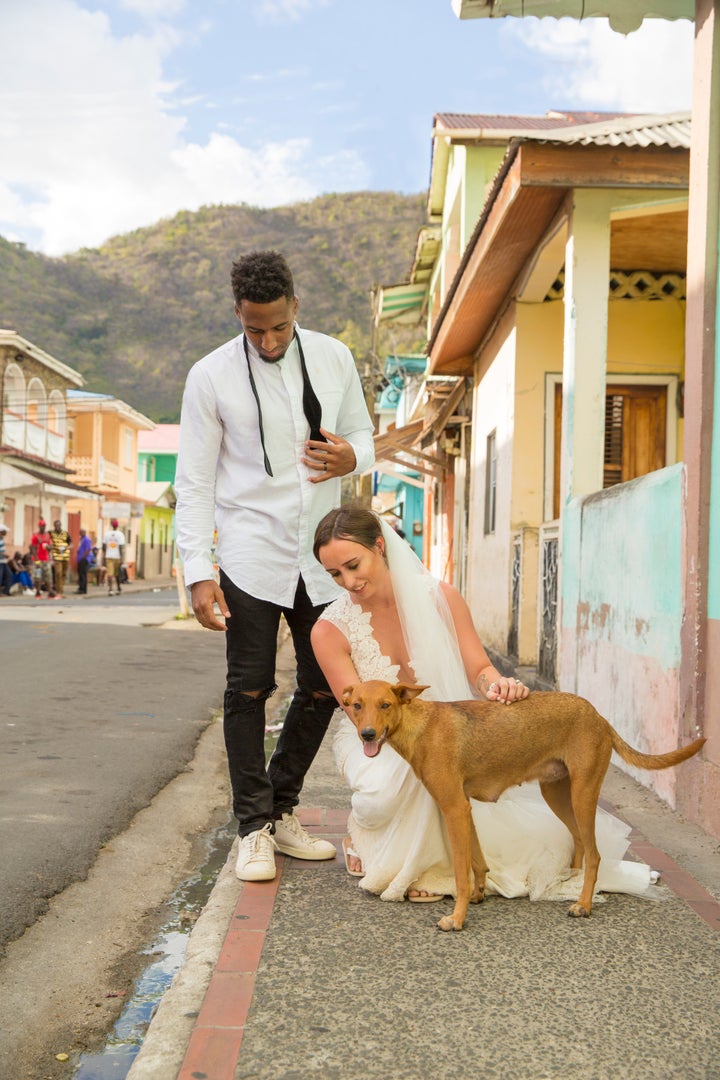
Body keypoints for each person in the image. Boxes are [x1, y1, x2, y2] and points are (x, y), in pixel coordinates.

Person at [311, 504, 657, 905]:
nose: (349, 581)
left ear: (379, 546)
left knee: (466, 783)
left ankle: (443, 867)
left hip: (455, 732)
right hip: (381, 737)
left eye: (354, 565)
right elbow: (359, 713)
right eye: (335, 574)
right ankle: (368, 834)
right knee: (391, 790)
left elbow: (479, 667)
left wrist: (498, 685)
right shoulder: (328, 630)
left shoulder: (442, 596)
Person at [175, 249, 375, 883]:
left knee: (326, 687)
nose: (267, 340)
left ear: (297, 308)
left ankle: (282, 810)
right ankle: (252, 829)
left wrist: (352, 460)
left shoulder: (336, 357)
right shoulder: (209, 376)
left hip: (321, 560)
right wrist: (197, 569)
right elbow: (195, 480)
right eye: (253, 327)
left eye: (279, 327)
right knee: (248, 689)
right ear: (237, 312)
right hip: (248, 555)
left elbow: (364, 437)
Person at [29, 518, 54, 598]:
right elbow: (32, 549)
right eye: (41, 526)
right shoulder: (35, 536)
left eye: (44, 526)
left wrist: (49, 547)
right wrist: (37, 561)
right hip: (38, 560)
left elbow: (50, 546)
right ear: (39, 526)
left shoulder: (47, 535)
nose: (43, 527)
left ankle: (50, 592)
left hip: (46, 559)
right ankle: (38, 592)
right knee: (38, 576)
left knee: (48, 575)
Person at [102, 519, 126, 595]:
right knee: (117, 574)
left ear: (112, 525)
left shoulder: (107, 534)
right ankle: (118, 588)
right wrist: (121, 558)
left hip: (108, 556)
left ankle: (111, 589)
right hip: (117, 557)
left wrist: (104, 555)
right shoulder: (120, 534)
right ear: (117, 525)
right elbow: (120, 547)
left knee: (110, 573)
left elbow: (104, 546)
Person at [49, 520, 72, 598]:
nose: (57, 527)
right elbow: (48, 542)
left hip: (65, 556)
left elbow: (71, 544)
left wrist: (66, 548)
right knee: (58, 573)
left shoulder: (66, 533)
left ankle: (61, 591)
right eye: (56, 525)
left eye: (59, 525)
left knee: (63, 574)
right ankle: (58, 591)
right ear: (54, 526)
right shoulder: (51, 533)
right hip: (56, 557)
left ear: (61, 525)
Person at [75, 528, 93, 594]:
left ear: (85, 532)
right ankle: (80, 588)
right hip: (80, 559)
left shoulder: (87, 539)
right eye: (80, 532)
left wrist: (83, 558)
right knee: (80, 574)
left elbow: (88, 549)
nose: (81, 533)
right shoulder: (81, 539)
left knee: (83, 574)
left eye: (82, 532)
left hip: (84, 559)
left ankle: (82, 589)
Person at [0, 525, 12, 596]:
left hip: (3, 561)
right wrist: (4, 554)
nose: (6, 532)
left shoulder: (1, 539)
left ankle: (6, 591)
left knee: (9, 575)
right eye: (5, 531)